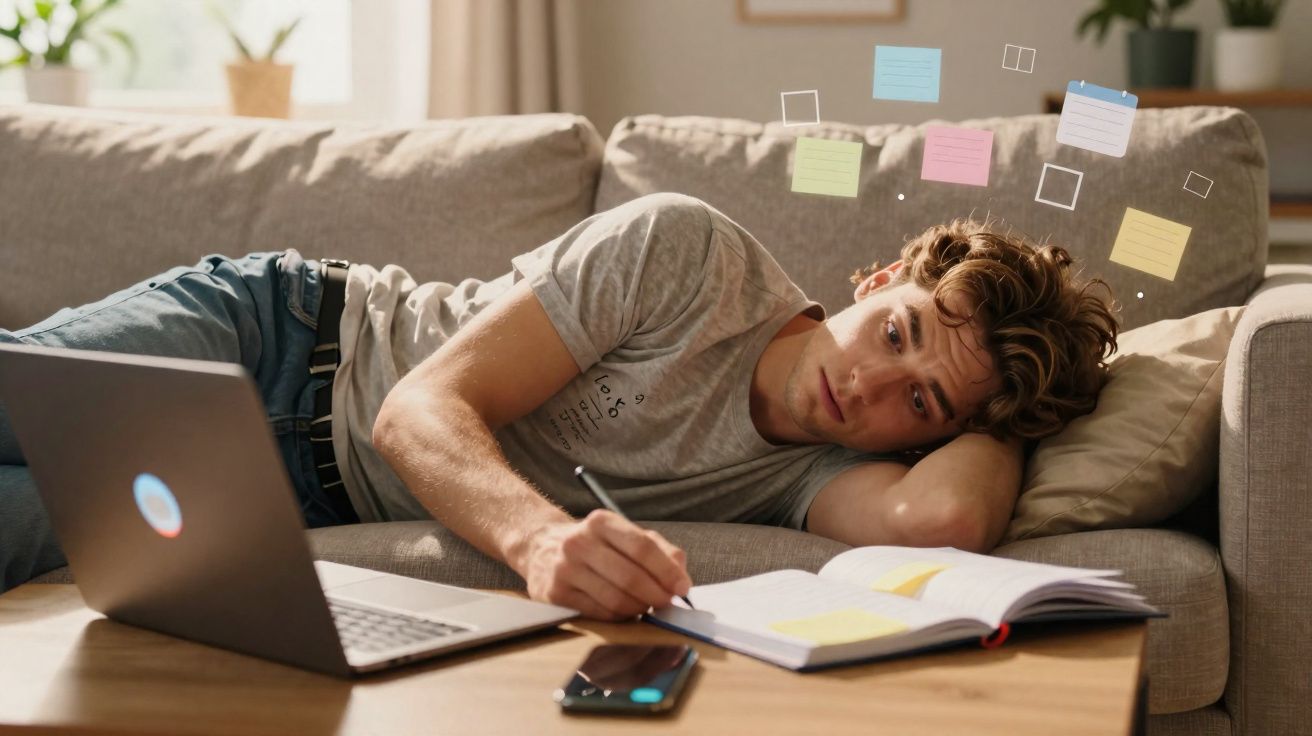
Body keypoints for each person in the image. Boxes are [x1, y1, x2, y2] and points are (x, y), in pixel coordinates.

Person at [0, 193, 1118, 621]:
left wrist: (1001, 403)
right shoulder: (689, 254)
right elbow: (418, 410)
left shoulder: (817, 479)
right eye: (899, 333)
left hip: (278, 496)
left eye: (916, 402)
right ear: (877, 283)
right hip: (280, 341)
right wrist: (538, 540)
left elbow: (944, 526)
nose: (868, 386)